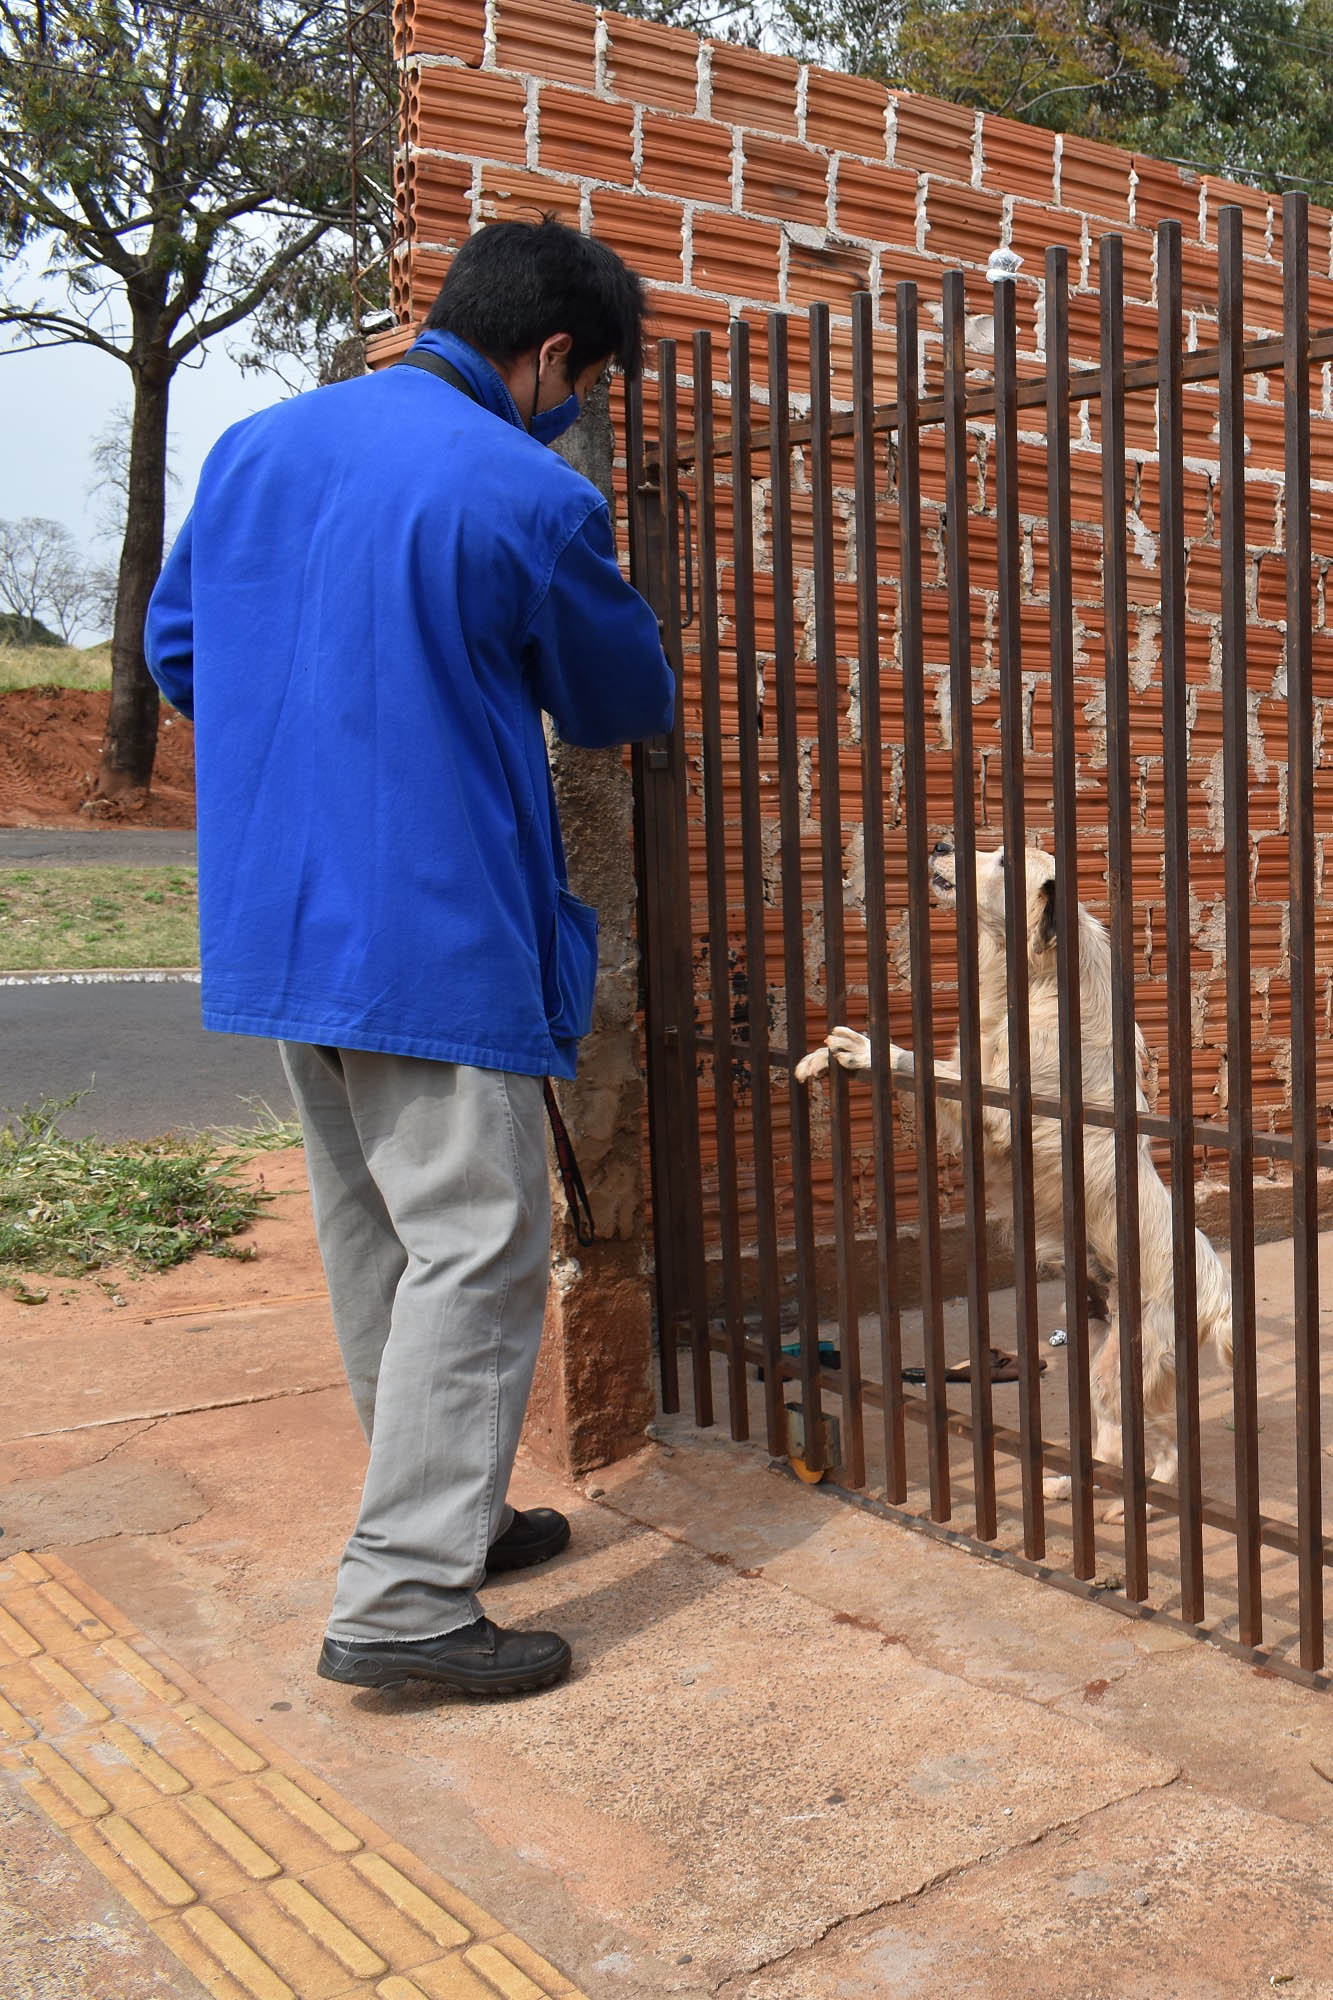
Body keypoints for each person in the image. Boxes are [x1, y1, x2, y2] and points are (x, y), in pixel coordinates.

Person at [145, 217, 674, 1699]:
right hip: (429, 925)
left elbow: (178, 654)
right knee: (480, 1246)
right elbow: (618, 695)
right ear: (550, 356)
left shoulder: (257, 447)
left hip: (272, 918)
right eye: (582, 384)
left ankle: (443, 1521)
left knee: (377, 1234)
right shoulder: (526, 488)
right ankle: (400, 1605)